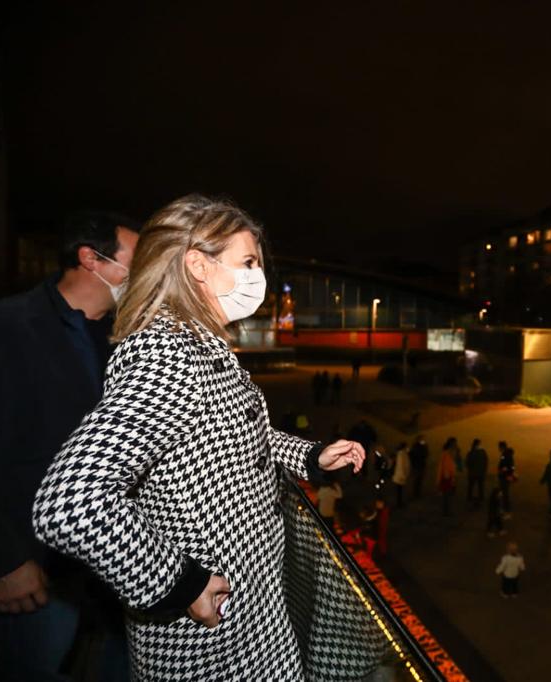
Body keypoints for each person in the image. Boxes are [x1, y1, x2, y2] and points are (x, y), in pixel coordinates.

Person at [30, 195, 366, 681]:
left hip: (249, 617)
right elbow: (71, 501)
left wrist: (311, 455)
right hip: (211, 641)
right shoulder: (169, 351)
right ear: (197, 266)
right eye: (247, 262)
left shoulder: (198, 343)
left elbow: (229, 437)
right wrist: (179, 584)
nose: (258, 276)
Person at [0, 209, 140, 681]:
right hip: (32, 571)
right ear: (92, 259)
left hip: (113, 569)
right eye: (137, 260)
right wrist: (0, 559)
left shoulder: (126, 341)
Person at [466, 438, 489, 504]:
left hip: (473, 473)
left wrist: (470, 469)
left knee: (471, 486)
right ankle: (481, 497)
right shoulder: (482, 452)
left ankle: (469, 497)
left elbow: (467, 462)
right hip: (480, 473)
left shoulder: (471, 452)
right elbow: (486, 461)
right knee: (480, 486)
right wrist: (484, 470)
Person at [437, 445, 458, 516]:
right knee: (447, 496)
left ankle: (446, 511)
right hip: (447, 480)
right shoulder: (447, 458)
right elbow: (446, 470)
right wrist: (451, 479)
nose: (455, 454)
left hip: (447, 479)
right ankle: (446, 511)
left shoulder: (447, 457)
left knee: (447, 496)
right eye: (455, 452)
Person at [497, 443, 516, 517]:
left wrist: (508, 473)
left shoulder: (506, 455)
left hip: (505, 477)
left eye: (499, 447)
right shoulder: (504, 454)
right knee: (502, 494)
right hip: (503, 477)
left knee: (505, 494)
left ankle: (507, 511)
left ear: (502, 447)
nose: (498, 449)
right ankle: (503, 509)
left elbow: (511, 467)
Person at [391, 441, 411, 509]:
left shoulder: (403, 453)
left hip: (401, 475)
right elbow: (401, 466)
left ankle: (399, 502)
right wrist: (403, 475)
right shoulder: (401, 454)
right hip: (400, 476)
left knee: (400, 490)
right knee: (399, 490)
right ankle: (399, 503)